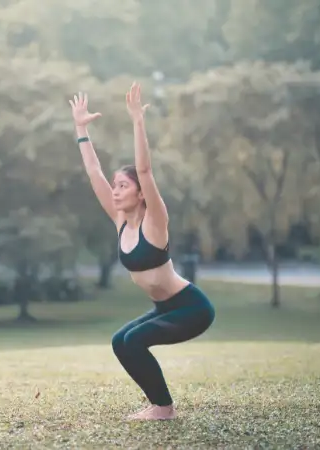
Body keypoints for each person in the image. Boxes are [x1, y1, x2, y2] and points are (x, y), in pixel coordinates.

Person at [68, 83, 216, 421]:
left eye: (123, 186)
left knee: (133, 340)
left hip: (192, 308)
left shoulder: (156, 222)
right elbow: (94, 172)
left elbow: (146, 170)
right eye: (116, 186)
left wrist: (137, 120)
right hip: (164, 307)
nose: (116, 191)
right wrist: (81, 128)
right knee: (121, 341)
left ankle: (163, 409)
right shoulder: (119, 221)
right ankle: (158, 404)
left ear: (140, 194)